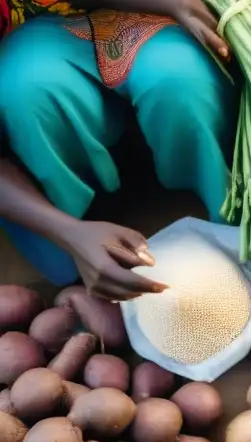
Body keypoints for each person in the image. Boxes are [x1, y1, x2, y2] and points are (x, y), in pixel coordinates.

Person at [0, 0, 235, 299]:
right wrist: (69, 234)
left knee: (178, 80)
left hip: (149, 8)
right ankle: (84, 233)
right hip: (30, 34)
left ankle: (223, 210)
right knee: (27, 96)